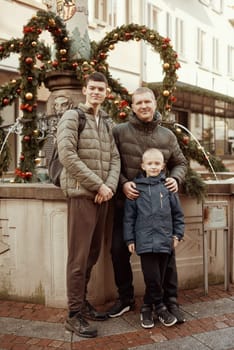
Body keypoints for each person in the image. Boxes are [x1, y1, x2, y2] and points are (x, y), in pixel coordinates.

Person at [107, 87, 187, 324]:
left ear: (155, 103)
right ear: (132, 106)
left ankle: (169, 301)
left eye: (147, 102)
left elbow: (180, 162)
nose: (143, 106)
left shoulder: (167, 136)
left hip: (160, 209)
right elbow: (112, 163)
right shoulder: (119, 132)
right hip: (127, 205)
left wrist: (176, 178)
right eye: (138, 102)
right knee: (118, 250)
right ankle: (126, 298)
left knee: (167, 256)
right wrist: (122, 184)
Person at [56, 72, 120, 338]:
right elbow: (67, 155)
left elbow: (115, 158)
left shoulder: (105, 122)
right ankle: (73, 314)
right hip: (83, 196)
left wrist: (110, 187)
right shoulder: (73, 117)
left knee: (92, 254)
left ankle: (82, 303)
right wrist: (98, 185)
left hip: (102, 197)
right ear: (85, 90)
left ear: (106, 93)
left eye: (101, 89)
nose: (96, 92)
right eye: (92, 88)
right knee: (79, 258)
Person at [123, 148, 185, 329]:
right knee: (153, 278)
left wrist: (177, 235)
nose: (153, 167)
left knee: (160, 277)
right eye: (150, 163)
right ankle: (160, 306)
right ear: (143, 166)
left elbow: (178, 215)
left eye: (157, 163)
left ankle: (146, 308)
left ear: (163, 166)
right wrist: (130, 240)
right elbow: (129, 218)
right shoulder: (136, 188)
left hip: (165, 241)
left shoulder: (167, 187)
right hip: (145, 242)